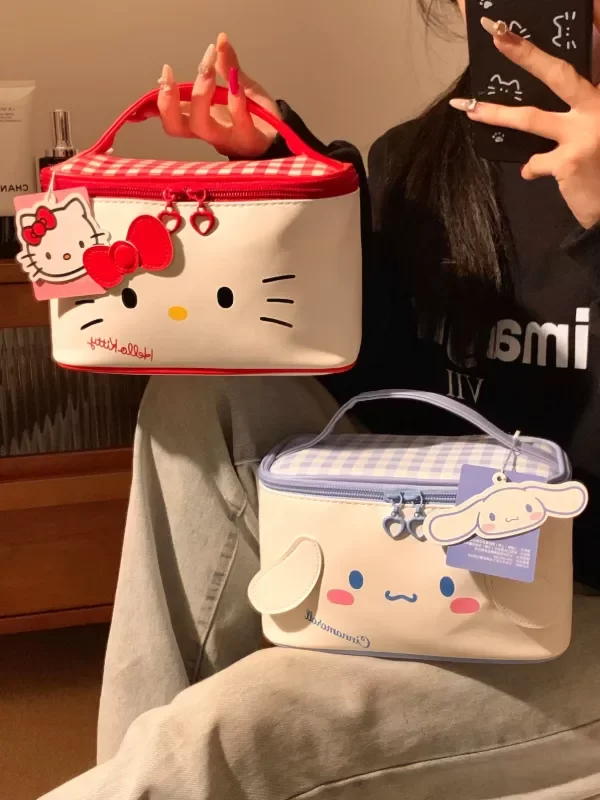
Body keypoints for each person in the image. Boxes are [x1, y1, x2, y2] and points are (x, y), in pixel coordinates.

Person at [41, 3, 600, 799]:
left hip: (580, 607)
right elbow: (370, 391)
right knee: (203, 398)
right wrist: (282, 167)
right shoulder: (420, 160)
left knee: (237, 730)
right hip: (440, 557)